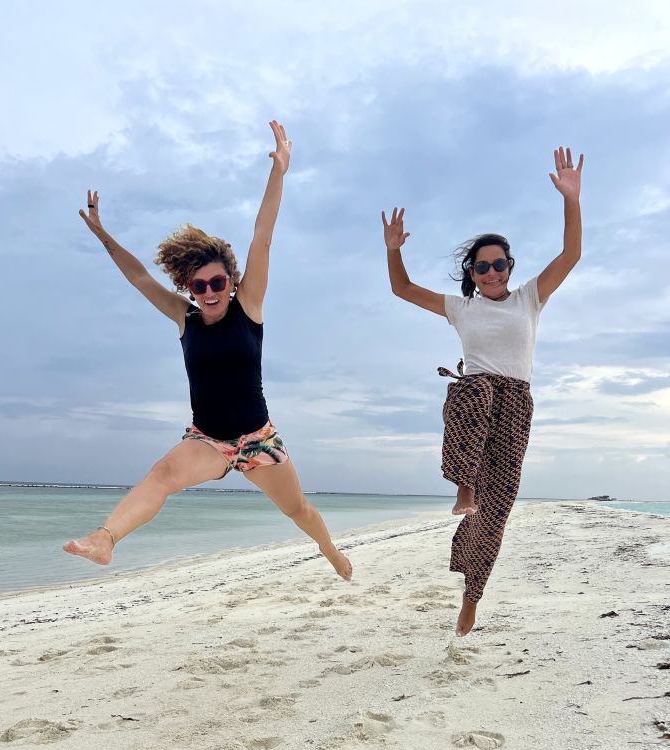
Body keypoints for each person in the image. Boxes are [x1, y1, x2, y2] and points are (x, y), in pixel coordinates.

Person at [64, 121, 352, 582]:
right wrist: (103, 234)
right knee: (162, 472)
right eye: (199, 286)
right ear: (190, 289)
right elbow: (140, 277)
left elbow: (263, 235)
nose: (209, 292)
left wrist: (279, 172)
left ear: (232, 282)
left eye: (218, 282)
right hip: (209, 441)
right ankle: (105, 538)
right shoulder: (185, 319)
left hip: (259, 439)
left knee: (298, 510)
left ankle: (329, 548)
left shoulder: (249, 307)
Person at [382, 146, 583, 635]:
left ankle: (472, 596)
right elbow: (403, 290)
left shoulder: (530, 299)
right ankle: (463, 486)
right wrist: (393, 249)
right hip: (475, 396)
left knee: (499, 508)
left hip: (517, 404)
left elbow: (572, 253)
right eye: (482, 267)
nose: (492, 273)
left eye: (500, 265)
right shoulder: (461, 308)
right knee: (476, 391)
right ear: (470, 274)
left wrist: (571, 199)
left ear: (510, 268)